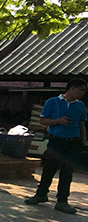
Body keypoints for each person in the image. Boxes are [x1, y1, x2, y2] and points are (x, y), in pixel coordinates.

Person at [24, 78, 88, 214]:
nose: (83, 93)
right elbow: (43, 120)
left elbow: (82, 124)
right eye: (81, 89)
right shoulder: (52, 102)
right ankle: (41, 194)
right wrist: (58, 121)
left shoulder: (80, 105)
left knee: (67, 172)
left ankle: (62, 201)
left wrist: (83, 140)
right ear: (73, 88)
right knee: (49, 169)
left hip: (73, 142)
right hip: (56, 141)